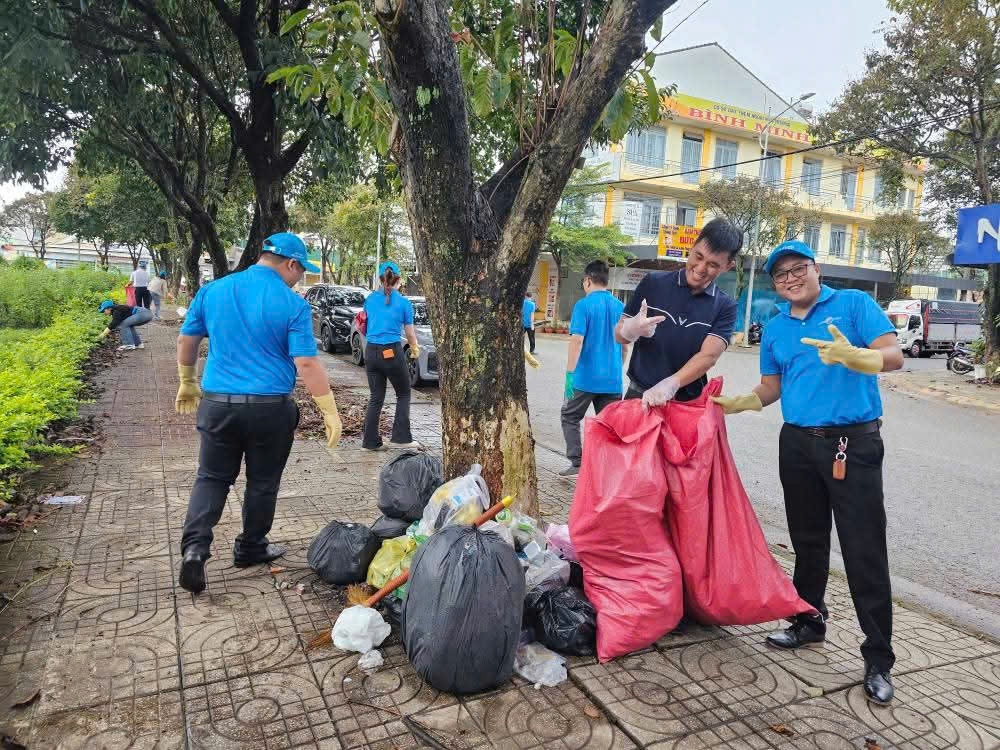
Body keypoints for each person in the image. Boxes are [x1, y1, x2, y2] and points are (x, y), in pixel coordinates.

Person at [711, 239, 903, 705]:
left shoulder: (854, 305)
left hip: (851, 443)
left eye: (798, 269)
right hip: (797, 442)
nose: (790, 279)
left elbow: (894, 354)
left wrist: (863, 358)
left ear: (816, 270)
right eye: (781, 275)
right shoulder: (775, 328)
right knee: (808, 540)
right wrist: (745, 401)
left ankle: (878, 656)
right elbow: (772, 385)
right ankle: (809, 620)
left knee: (863, 549)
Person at [174, 232, 343, 594]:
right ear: (290, 264)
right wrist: (328, 410)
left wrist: (187, 380)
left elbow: (187, 340)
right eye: (301, 271)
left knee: (212, 478)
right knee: (263, 482)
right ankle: (251, 547)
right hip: (269, 409)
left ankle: (194, 550)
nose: (299, 278)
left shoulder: (214, 290)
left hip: (218, 403)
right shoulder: (292, 304)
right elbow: (307, 363)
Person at [614, 218, 743, 407]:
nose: (700, 269)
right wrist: (630, 329)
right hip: (639, 395)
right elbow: (619, 335)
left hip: (687, 404)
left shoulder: (725, 306)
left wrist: (670, 384)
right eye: (698, 257)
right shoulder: (653, 283)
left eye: (713, 265)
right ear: (692, 246)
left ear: (727, 266)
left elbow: (709, 356)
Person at [559, 260, 626, 477]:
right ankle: (608, 469)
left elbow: (577, 341)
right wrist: (616, 367)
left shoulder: (583, 305)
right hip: (612, 380)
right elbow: (626, 345)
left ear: (587, 280)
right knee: (609, 427)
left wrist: (570, 374)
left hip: (585, 379)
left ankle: (577, 462)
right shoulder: (620, 307)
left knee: (569, 415)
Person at [362, 261, 420, 451]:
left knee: (376, 396)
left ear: (380, 279)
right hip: (391, 351)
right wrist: (414, 348)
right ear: (399, 280)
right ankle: (401, 439)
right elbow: (410, 334)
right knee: (403, 393)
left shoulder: (369, 299)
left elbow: (366, 325)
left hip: (371, 351)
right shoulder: (403, 302)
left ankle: (369, 443)